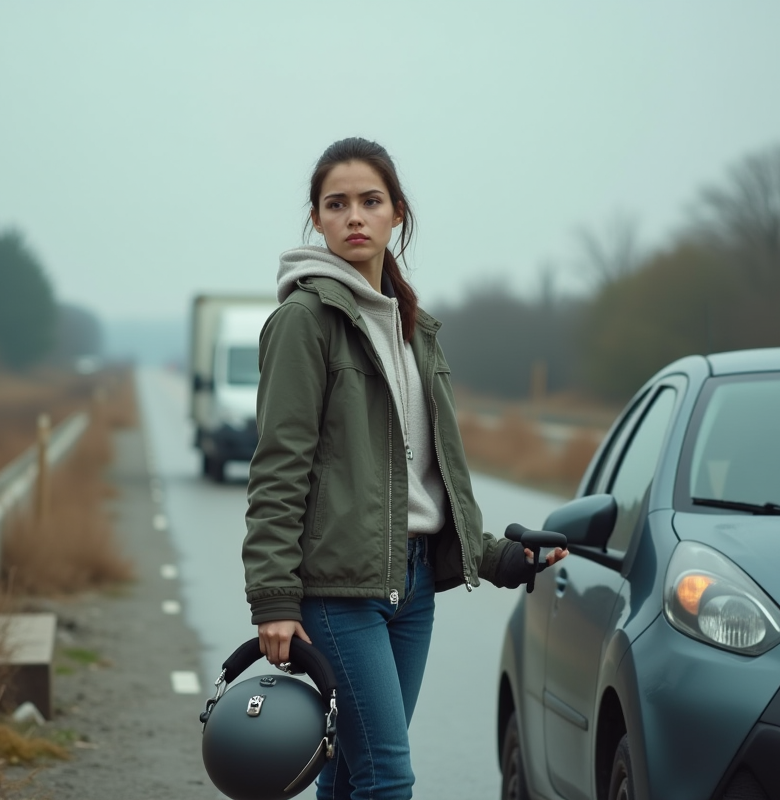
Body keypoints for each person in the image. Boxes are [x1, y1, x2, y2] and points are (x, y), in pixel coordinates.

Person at [242, 136, 568, 800]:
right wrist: (274, 598)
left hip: (413, 588)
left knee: (351, 771)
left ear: (398, 214)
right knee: (389, 777)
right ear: (318, 220)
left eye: (370, 201)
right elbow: (278, 469)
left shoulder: (413, 328)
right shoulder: (304, 323)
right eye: (336, 204)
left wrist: (496, 556)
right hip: (339, 593)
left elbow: (421, 480)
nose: (354, 216)